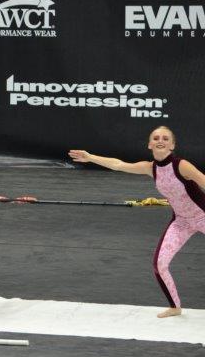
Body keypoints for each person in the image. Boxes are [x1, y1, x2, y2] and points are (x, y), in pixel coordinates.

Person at [70, 126, 205, 318]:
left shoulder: (182, 165)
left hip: (202, 216)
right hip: (181, 222)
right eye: (156, 138)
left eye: (165, 138)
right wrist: (90, 157)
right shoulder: (150, 168)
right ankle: (175, 307)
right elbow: (118, 165)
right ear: (150, 144)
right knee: (159, 264)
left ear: (172, 145)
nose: (160, 140)